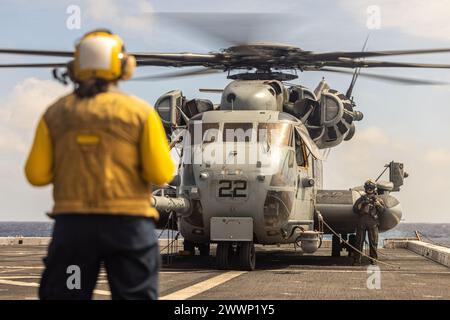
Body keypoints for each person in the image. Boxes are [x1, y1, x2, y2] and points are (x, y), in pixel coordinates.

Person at [24, 29, 175, 300]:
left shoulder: (56, 113)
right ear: (124, 67)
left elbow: (36, 175)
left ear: (76, 66)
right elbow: (162, 173)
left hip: (73, 229)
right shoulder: (139, 113)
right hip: (129, 227)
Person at [352, 179, 385, 265]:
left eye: (371, 187)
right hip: (362, 222)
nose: (369, 189)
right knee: (359, 242)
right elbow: (355, 209)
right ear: (365, 188)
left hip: (372, 223)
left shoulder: (378, 199)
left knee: (373, 242)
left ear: (374, 188)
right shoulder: (361, 199)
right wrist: (362, 204)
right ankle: (357, 260)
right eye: (368, 187)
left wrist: (377, 204)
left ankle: (373, 259)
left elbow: (382, 210)